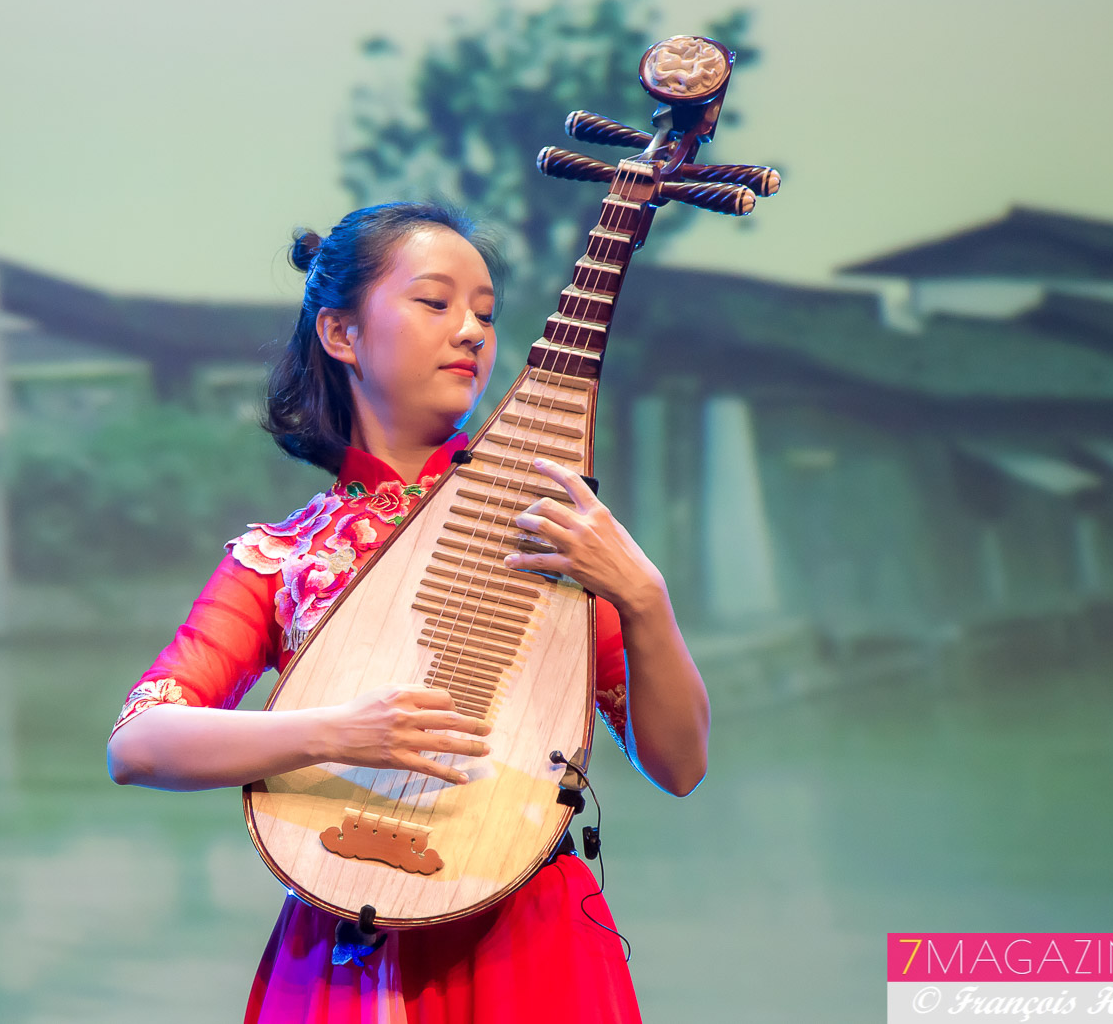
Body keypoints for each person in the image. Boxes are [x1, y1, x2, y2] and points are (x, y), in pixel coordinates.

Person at [106, 202, 710, 1023]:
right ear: (342, 334)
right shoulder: (284, 557)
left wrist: (642, 594)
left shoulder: (545, 534)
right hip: (344, 937)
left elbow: (676, 764)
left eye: (487, 314)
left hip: (527, 942)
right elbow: (139, 744)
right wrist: (337, 732)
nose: (471, 332)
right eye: (436, 302)